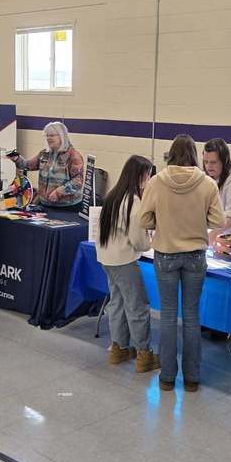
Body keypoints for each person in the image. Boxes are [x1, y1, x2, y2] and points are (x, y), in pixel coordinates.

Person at [140, 134, 224, 392]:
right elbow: (218, 221)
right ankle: (192, 378)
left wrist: (163, 222)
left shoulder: (156, 182)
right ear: (194, 155)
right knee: (191, 316)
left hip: (165, 254)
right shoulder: (208, 183)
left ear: (171, 154)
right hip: (196, 256)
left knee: (167, 315)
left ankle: (167, 378)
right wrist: (196, 220)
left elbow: (144, 219)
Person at [97, 155, 160, 372]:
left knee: (117, 303)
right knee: (137, 306)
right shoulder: (134, 202)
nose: (149, 181)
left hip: (107, 259)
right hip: (124, 261)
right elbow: (139, 241)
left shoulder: (113, 195)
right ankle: (144, 355)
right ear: (141, 176)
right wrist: (151, 239)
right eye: (148, 176)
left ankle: (119, 348)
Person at [8, 122, 84, 207]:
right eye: (47, 136)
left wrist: (59, 192)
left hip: (67, 207)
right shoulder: (44, 154)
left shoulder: (73, 156)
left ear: (62, 136)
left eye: (52, 135)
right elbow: (28, 165)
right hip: (45, 204)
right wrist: (16, 159)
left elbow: (78, 181)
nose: (48, 138)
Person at [202, 139, 231, 238]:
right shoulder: (206, 177)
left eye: (213, 162)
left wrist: (212, 235)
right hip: (214, 235)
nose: (208, 166)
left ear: (224, 161)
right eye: (206, 162)